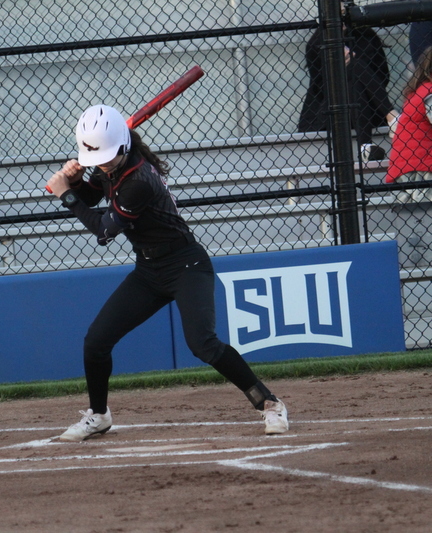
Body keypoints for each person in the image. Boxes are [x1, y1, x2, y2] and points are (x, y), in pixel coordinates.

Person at [45, 104, 289, 441]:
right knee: (96, 341)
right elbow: (97, 191)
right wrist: (77, 181)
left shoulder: (139, 181)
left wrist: (67, 195)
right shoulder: (111, 161)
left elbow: (104, 230)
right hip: (149, 270)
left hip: (186, 264)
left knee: (203, 344)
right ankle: (99, 415)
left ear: (121, 147)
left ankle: (270, 403)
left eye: (103, 158)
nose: (100, 164)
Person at [298, 21, 399, 162]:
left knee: (355, 80)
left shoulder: (366, 38)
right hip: (330, 113)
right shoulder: (317, 44)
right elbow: (321, 89)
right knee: (351, 69)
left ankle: (366, 146)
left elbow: (382, 77)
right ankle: (392, 117)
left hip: (368, 109)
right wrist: (337, 61)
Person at [385, 46, 432, 203]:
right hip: (422, 164)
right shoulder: (429, 93)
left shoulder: (417, 92)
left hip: (406, 164)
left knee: (413, 216)